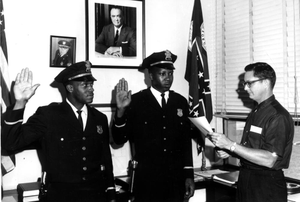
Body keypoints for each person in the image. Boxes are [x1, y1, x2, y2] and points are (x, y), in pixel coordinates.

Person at [2, 61, 116, 202]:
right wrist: (20, 103)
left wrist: (111, 192)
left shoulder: (99, 118)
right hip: (61, 196)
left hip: (96, 195)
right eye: (85, 85)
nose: (91, 89)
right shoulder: (48, 115)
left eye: (91, 84)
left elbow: (106, 158)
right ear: (70, 87)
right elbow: (10, 144)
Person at [112, 50, 195, 202]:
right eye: (162, 73)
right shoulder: (136, 102)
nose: (168, 78)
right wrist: (120, 111)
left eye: (170, 73)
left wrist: (189, 175)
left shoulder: (180, 102)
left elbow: (185, 142)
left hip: (175, 181)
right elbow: (118, 139)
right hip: (147, 182)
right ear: (150, 76)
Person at [208, 62, 294, 202]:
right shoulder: (256, 111)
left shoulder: (277, 116)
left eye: (249, 83)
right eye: (244, 83)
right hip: (247, 179)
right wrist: (229, 151)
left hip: (266, 185)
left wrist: (231, 145)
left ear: (265, 83)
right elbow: (253, 149)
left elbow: (269, 160)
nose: (245, 88)